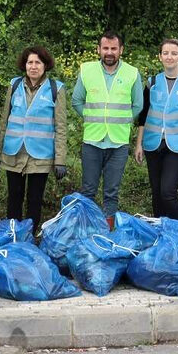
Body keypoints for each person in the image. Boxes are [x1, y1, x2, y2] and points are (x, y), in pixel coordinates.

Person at [0, 46, 68, 233]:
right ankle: (12, 236)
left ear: (45, 65)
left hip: (40, 154)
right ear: (24, 65)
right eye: (30, 62)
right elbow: (4, 120)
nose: (33, 66)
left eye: (38, 62)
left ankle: (30, 238)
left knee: (35, 199)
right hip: (13, 151)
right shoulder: (15, 85)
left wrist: (60, 160)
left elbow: (61, 127)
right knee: (14, 197)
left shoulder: (55, 89)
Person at [72, 31, 144, 219]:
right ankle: (85, 227)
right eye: (105, 48)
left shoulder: (132, 73)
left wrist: (122, 121)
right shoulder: (87, 70)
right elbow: (76, 101)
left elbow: (138, 105)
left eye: (113, 48)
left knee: (111, 193)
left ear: (121, 50)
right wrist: (90, 117)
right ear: (98, 49)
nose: (109, 52)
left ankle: (108, 232)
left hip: (118, 142)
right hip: (92, 141)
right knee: (88, 190)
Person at [134, 39, 178, 219]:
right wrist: (138, 144)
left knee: (167, 192)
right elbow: (143, 115)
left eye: (174, 53)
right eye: (165, 53)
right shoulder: (152, 82)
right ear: (159, 56)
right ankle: (160, 233)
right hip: (152, 143)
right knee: (156, 193)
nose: (169, 57)